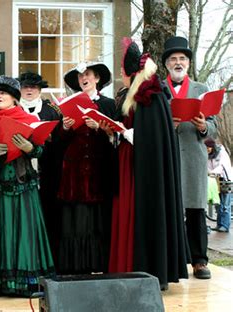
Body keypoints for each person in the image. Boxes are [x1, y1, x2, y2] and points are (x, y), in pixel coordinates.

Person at [107, 38, 188, 290]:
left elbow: (150, 138)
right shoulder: (136, 94)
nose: (121, 75)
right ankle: (130, 266)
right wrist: (116, 132)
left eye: (123, 71)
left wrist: (129, 134)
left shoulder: (149, 95)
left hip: (142, 170)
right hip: (130, 164)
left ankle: (149, 268)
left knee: (145, 211)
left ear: (132, 72)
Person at [0, 75, 54, 297]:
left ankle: (25, 283)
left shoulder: (27, 119)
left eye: (4, 93)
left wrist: (29, 148)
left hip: (23, 183)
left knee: (24, 231)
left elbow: (40, 150)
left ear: (14, 99)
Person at [162, 36, 217, 279]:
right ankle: (170, 260)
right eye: (173, 59)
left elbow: (214, 128)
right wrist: (166, 125)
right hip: (167, 156)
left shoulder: (201, 89)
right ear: (165, 64)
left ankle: (199, 260)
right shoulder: (158, 90)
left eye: (182, 58)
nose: (177, 62)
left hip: (193, 156)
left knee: (195, 210)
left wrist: (204, 126)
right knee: (168, 208)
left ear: (188, 63)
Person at [57, 62, 116, 274]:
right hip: (74, 172)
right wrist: (64, 127)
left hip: (100, 171)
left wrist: (100, 128)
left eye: (88, 74)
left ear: (97, 78)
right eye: (81, 75)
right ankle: (76, 265)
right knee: (76, 220)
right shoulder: (67, 104)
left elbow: (116, 135)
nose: (84, 78)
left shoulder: (109, 104)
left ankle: (98, 264)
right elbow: (58, 141)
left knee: (98, 219)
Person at [17, 72, 63, 263]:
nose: (29, 90)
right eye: (26, 86)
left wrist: (53, 138)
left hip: (48, 171)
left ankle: (48, 262)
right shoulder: (14, 109)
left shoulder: (52, 110)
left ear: (40, 90)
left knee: (48, 215)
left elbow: (62, 143)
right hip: (20, 172)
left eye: (33, 87)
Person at [205, 138, 232, 233]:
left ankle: (225, 225)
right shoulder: (207, 155)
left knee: (225, 204)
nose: (207, 150)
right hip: (214, 180)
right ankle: (219, 224)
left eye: (209, 148)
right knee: (218, 203)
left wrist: (212, 172)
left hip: (225, 180)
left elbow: (222, 166)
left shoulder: (221, 153)